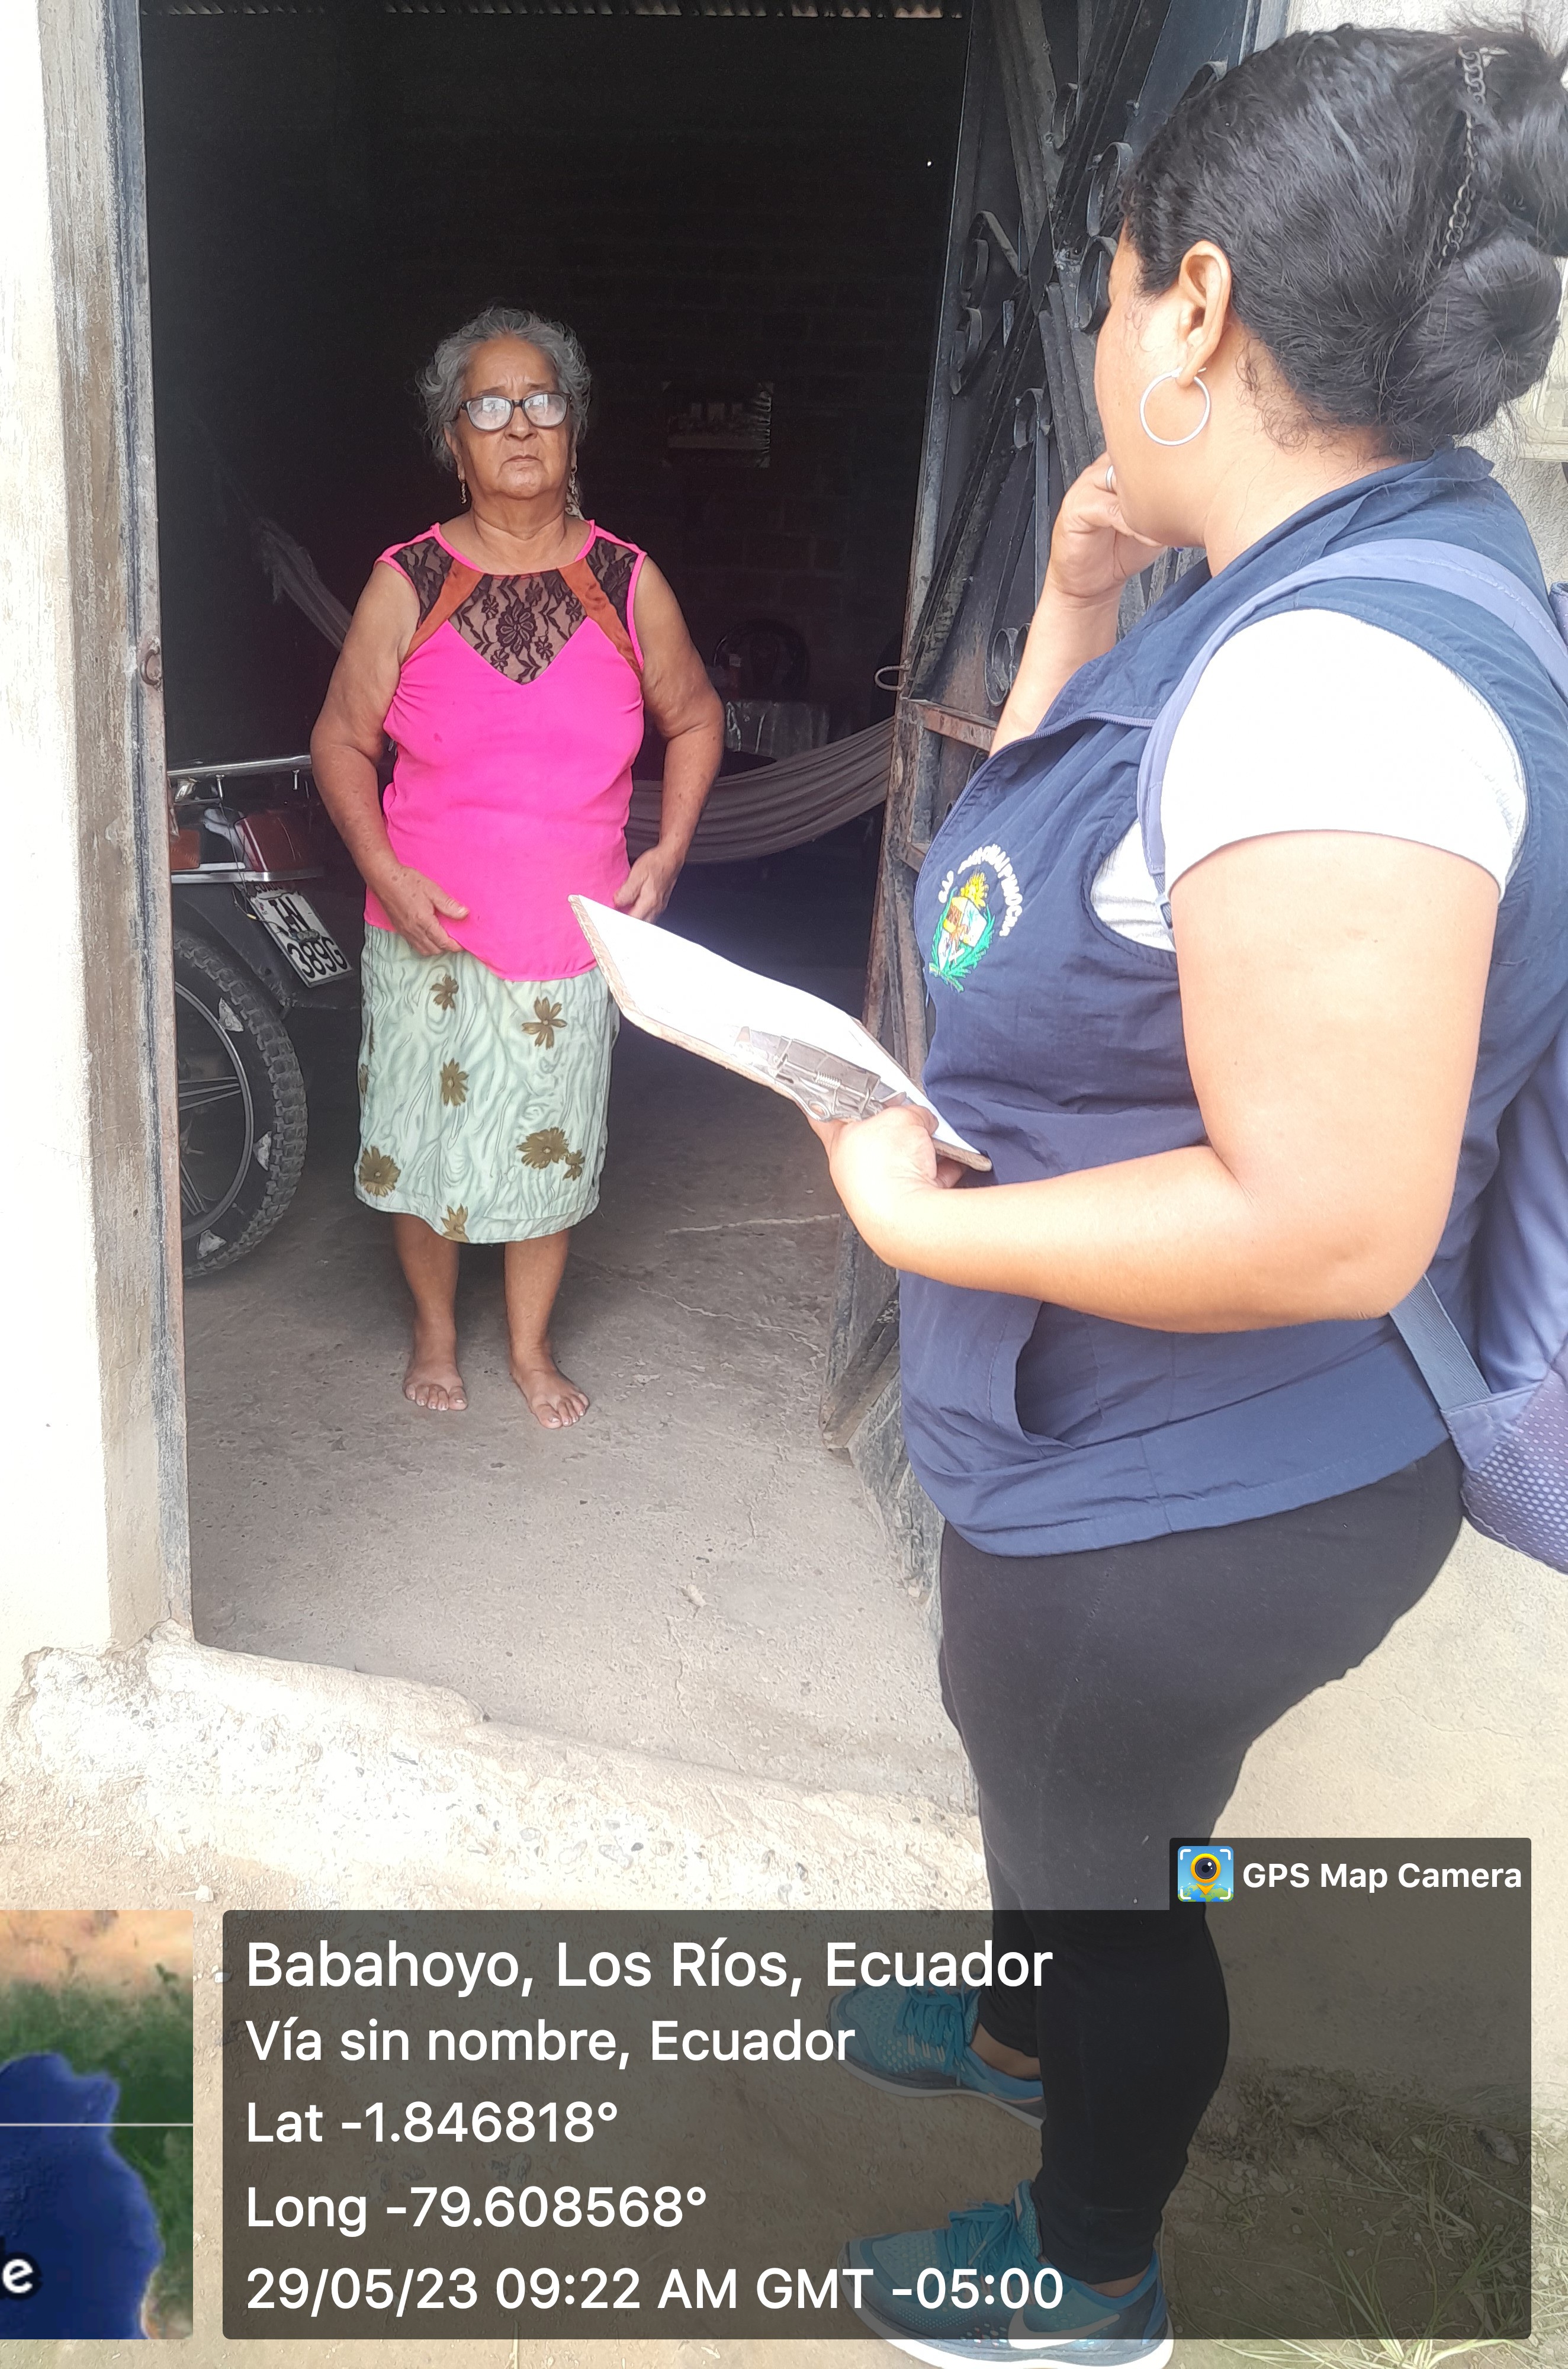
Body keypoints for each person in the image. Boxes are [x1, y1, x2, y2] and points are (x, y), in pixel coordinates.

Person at [812, 27, 1568, 2365]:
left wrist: (915, 1228)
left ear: (1200, 304)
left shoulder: (1331, 692)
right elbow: (1039, 880)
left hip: (1186, 1496)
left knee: (1120, 1879)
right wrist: (1068, 592)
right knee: (1093, 1824)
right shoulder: (1338, 578)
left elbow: (1326, 1218)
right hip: (1175, 1458)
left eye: (1116, 289)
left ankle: (1090, 2267)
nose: (1103, 341)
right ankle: (1027, 2013)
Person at [311, 307, 721, 1426]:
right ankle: (437, 1334)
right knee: (421, 1143)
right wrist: (384, 872)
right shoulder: (409, 580)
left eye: (541, 400)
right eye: (488, 407)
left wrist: (669, 852)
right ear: (456, 441)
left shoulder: (626, 582)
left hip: (566, 936)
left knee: (551, 1146)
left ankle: (532, 1350)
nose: (519, 425)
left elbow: (695, 718)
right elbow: (340, 740)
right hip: (425, 932)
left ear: (573, 426)